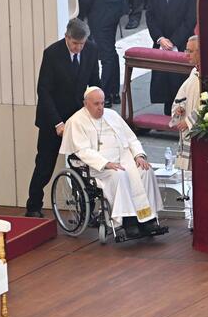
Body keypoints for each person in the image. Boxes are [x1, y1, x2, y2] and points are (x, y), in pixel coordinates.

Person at [60, 86, 164, 237]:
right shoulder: (76, 121)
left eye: (102, 103)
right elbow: (82, 151)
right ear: (85, 103)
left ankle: (148, 219)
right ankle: (129, 221)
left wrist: (139, 156)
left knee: (145, 170)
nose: (101, 107)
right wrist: (105, 163)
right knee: (119, 175)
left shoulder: (112, 115)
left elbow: (131, 138)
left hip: (124, 159)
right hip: (98, 166)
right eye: (96, 104)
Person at [26, 19, 101, 218]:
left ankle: (87, 211)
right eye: (75, 43)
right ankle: (33, 205)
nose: (78, 48)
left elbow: (94, 84)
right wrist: (58, 123)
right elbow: (44, 91)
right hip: (53, 118)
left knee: (83, 165)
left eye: (81, 44)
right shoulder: (52, 54)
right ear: (67, 37)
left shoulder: (91, 50)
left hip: (79, 118)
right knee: (44, 164)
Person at [146, 0, 198, 116]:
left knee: (179, 85)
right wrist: (161, 39)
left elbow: (190, 19)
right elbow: (150, 16)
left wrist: (173, 41)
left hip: (181, 44)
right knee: (164, 84)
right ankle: (167, 117)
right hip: (161, 43)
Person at [78, 0, 124, 108]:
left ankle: (105, 94)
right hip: (114, 8)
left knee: (105, 54)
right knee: (110, 50)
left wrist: (80, 16)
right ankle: (114, 92)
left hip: (101, 12)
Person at [170, 35, 201, 170]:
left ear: (201, 51)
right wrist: (180, 108)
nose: (186, 54)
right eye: (186, 50)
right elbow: (183, 96)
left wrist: (188, 122)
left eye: (190, 51)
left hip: (198, 134)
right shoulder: (194, 71)